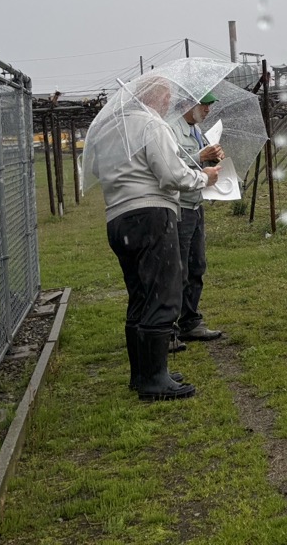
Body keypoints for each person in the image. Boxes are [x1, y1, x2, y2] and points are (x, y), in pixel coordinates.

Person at [91, 77, 220, 401]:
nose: (169, 103)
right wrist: (203, 177)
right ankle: (155, 379)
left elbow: (98, 170)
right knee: (163, 293)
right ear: (154, 97)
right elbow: (170, 174)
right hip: (151, 215)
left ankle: (144, 372)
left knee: (139, 296)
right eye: (167, 96)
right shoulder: (151, 125)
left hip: (118, 218)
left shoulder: (110, 130)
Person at [171, 91, 226, 343]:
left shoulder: (196, 131)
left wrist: (213, 156)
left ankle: (190, 320)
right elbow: (169, 165)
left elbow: (199, 162)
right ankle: (169, 327)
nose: (207, 111)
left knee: (196, 265)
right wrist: (200, 157)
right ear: (188, 105)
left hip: (195, 204)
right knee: (177, 269)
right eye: (204, 106)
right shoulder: (172, 129)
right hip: (179, 207)